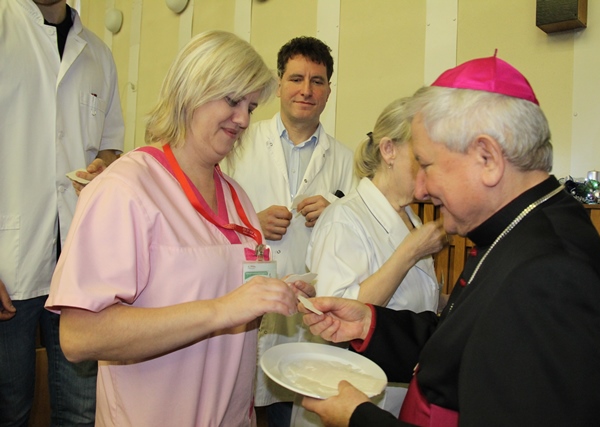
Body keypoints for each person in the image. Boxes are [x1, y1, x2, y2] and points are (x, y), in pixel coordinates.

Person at [298, 54, 600, 426]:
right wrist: (370, 324)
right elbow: (466, 343)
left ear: (487, 159)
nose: (422, 188)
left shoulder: (554, 278)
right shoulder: (521, 233)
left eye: (427, 165)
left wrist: (360, 419)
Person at [44, 30, 314, 427]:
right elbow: (79, 335)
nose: (243, 119)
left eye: (251, 106)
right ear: (191, 91)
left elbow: (222, 291)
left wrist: (275, 293)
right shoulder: (127, 187)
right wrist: (221, 310)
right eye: (232, 100)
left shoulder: (237, 196)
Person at [0, 0, 124, 425]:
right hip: (9, 266)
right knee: (9, 407)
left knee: (80, 411)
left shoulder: (98, 54)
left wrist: (102, 165)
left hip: (77, 266)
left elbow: (110, 145)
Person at [222, 36, 355, 426]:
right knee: (232, 403)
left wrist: (336, 213)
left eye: (317, 81)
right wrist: (252, 221)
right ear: (279, 85)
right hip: (239, 299)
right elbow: (208, 212)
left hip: (304, 310)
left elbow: (355, 237)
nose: (306, 90)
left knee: (290, 407)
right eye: (296, 79)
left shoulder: (344, 159)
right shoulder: (239, 142)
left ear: (328, 90)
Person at [290, 97, 447, 426]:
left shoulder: (411, 219)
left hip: (397, 387)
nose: (432, 167)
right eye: (422, 155)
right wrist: (408, 253)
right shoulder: (343, 219)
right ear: (389, 150)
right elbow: (336, 320)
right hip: (348, 395)